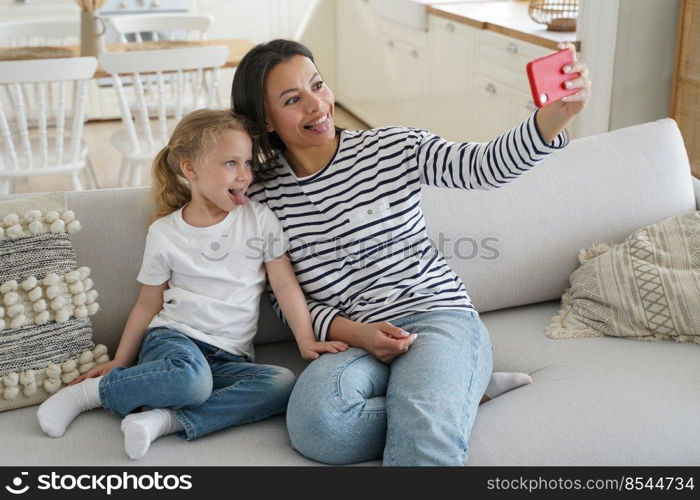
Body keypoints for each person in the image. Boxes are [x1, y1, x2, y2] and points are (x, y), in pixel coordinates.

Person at [231, 39, 591, 466]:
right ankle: (460, 391)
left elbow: (483, 167)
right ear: (266, 121)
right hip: (354, 341)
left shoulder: (391, 148)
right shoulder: (263, 195)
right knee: (319, 425)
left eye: (318, 85)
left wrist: (552, 119)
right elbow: (284, 295)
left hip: (435, 315)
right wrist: (357, 333)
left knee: (424, 430)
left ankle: (443, 393)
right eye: (293, 100)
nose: (317, 105)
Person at [36, 109, 348, 459]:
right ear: (190, 170)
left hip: (230, 355)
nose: (244, 175)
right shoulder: (165, 232)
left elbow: (285, 284)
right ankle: (88, 394)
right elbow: (147, 303)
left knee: (281, 383)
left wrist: (305, 339)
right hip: (174, 340)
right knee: (190, 379)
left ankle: (164, 420)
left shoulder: (259, 219)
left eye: (247, 163)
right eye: (231, 163)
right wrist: (121, 360)